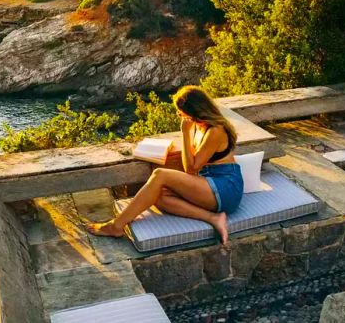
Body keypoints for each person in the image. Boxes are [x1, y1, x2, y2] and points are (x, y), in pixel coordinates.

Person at [87, 86, 243, 244]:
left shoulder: (215, 130)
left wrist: (185, 133)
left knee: (160, 175)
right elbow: (193, 157)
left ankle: (116, 225)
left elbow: (191, 168)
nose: (178, 114)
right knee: (157, 194)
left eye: (180, 111)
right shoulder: (198, 125)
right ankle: (213, 218)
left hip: (226, 188)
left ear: (193, 110)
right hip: (209, 182)